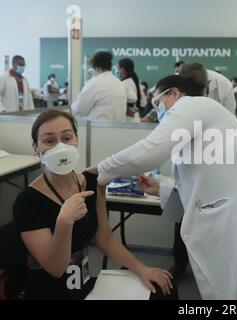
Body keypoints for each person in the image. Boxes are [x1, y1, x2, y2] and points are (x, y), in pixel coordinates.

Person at [92, 75, 237, 300]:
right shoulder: (201, 118)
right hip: (234, 213)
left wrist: (103, 169)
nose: (157, 112)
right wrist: (161, 189)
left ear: (174, 93)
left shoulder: (192, 105)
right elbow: (201, 178)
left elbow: (151, 150)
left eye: (157, 103)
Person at [12, 110, 173, 300]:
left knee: (164, 292)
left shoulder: (91, 182)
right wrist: (64, 221)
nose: (60, 147)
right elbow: (55, 269)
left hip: (85, 286)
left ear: (77, 141)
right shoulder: (27, 202)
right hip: (51, 294)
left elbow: (103, 238)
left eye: (66, 137)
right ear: (36, 148)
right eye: (49, 141)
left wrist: (142, 269)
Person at [71, 52, 127, 122]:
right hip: (118, 128)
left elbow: (79, 109)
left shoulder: (94, 83)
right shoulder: (119, 83)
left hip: (96, 129)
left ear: (96, 67)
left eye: (92, 69)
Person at [118, 58, 147, 122]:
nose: (117, 72)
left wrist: (127, 108)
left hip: (128, 118)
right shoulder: (134, 81)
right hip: (135, 116)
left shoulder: (125, 83)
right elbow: (143, 103)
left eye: (118, 69)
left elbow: (133, 98)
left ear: (122, 69)